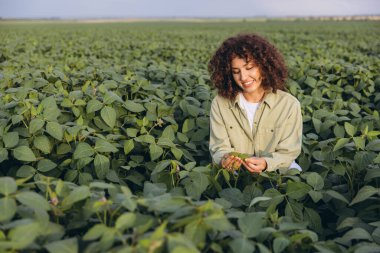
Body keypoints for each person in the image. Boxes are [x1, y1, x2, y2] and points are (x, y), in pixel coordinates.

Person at [208, 33, 302, 173]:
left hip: (277, 169)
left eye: (249, 68)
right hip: (236, 171)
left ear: (264, 66)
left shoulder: (288, 104)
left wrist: (266, 164)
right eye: (236, 71)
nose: (243, 77)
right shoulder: (220, 103)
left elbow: (288, 152)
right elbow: (219, 148)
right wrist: (224, 160)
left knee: (294, 175)